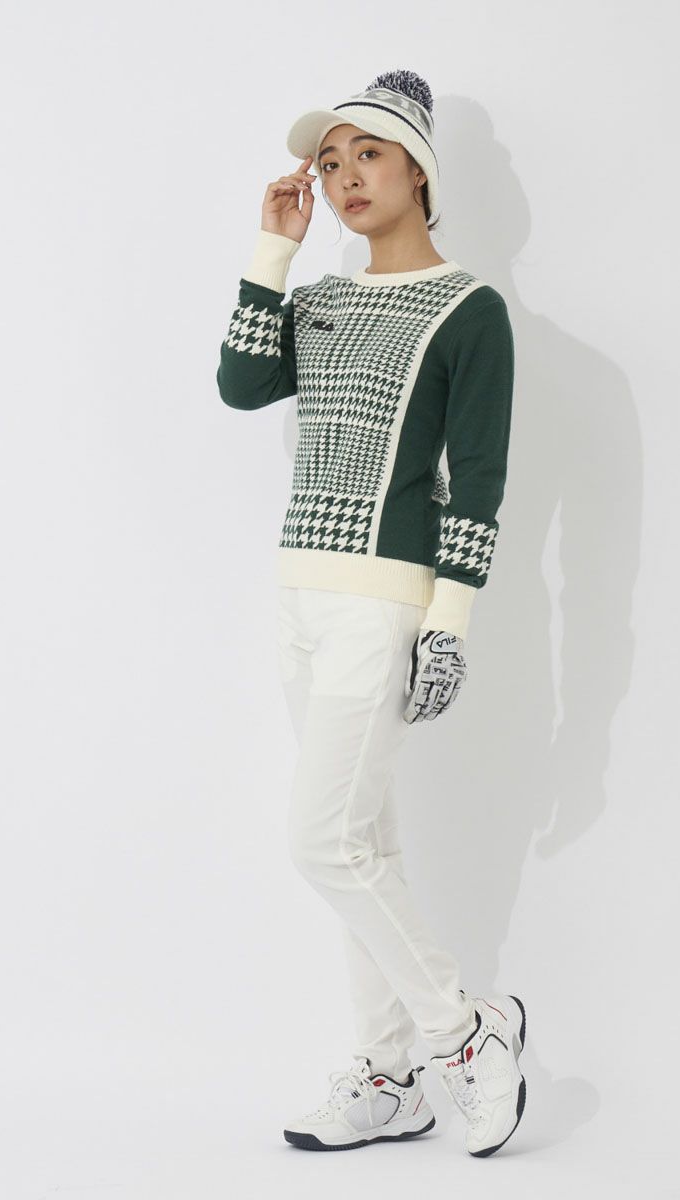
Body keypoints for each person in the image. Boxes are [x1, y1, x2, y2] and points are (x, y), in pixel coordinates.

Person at [217, 69, 525, 1157]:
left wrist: (449, 623)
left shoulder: (470, 309)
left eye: (369, 155)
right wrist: (275, 250)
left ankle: (464, 1031)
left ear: (418, 172)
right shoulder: (321, 301)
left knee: (322, 844)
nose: (345, 176)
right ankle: (389, 1076)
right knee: (365, 846)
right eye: (330, 160)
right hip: (299, 592)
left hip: (381, 604)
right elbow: (241, 385)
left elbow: (477, 479)